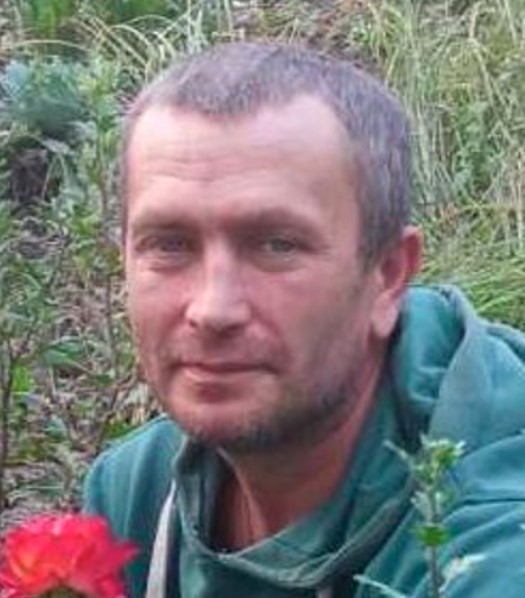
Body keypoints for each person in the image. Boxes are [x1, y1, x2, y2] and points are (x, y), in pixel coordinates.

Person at [83, 42, 525, 598]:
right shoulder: (137, 491)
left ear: (387, 275)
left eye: (277, 244)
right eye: (169, 245)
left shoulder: (491, 548)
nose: (213, 309)